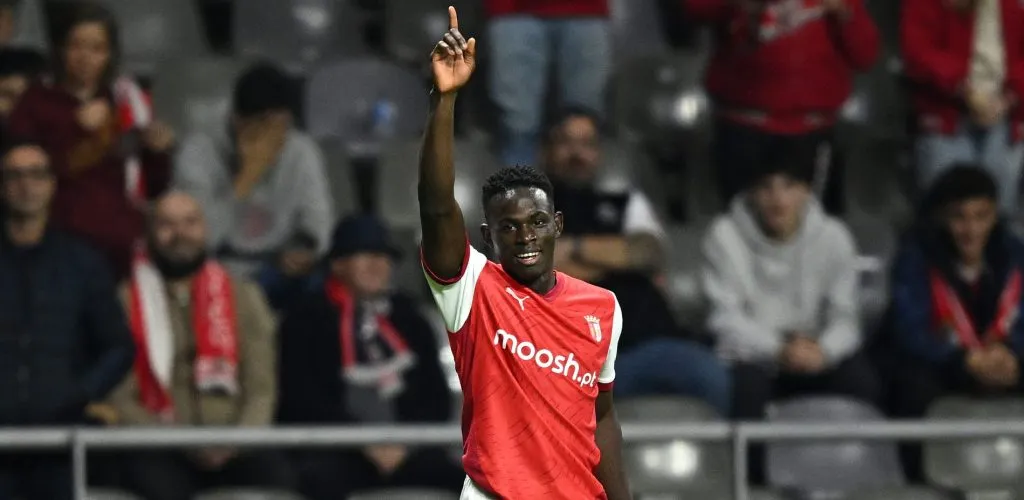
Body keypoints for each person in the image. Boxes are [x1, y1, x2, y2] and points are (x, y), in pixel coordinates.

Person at [420, 8, 630, 499]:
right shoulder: (472, 290)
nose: (525, 236)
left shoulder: (602, 308)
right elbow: (435, 206)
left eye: (537, 222)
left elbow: (602, 420)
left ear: (556, 225)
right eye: (508, 227)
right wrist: (445, 101)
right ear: (488, 238)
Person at [543, 106, 730, 416]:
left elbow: (649, 252)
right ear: (546, 150)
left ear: (599, 153)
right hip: (578, 360)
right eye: (565, 142)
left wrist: (575, 247)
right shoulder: (524, 206)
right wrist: (618, 256)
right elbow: (541, 266)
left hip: (654, 342)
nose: (577, 153)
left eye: (587, 144)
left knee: (713, 375)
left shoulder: (625, 203)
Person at [108, 191, 294, 500]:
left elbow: (262, 388)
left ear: (205, 229)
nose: (180, 234)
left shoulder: (244, 296)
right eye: (167, 225)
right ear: (149, 234)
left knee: (277, 479)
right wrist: (180, 441)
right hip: (158, 443)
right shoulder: (124, 302)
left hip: (235, 442)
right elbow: (120, 396)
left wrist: (236, 442)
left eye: (190, 222)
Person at [278, 214, 464, 500]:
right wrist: (363, 443)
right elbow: (301, 399)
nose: (377, 265)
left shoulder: (410, 318)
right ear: (337, 264)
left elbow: (435, 397)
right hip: (337, 450)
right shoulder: (305, 319)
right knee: (315, 481)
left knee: (469, 481)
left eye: (384, 256)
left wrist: (404, 444)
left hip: (406, 450)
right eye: (365, 255)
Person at [701, 140, 879, 420]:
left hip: (816, 352)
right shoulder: (723, 236)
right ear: (751, 193)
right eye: (766, 187)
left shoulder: (834, 237)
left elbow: (846, 318)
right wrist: (777, 350)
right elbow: (724, 319)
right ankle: (750, 466)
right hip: (754, 357)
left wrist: (824, 352)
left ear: (806, 190)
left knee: (862, 382)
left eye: (789, 186)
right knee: (747, 389)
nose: (778, 199)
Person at [0, 139, 135, 500]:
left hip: (60, 441)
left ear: (51, 185)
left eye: (36, 175)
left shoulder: (83, 263)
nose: (26, 185)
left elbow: (118, 347)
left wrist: (79, 394)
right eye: (13, 175)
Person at [6, 2, 175, 278]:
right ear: (61, 49)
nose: (85, 57)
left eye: (97, 48)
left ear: (110, 54)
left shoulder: (125, 100)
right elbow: (24, 177)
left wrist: (158, 152)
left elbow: (153, 188)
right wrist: (77, 129)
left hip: (120, 250)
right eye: (76, 45)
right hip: (58, 248)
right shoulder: (36, 102)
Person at [685, 0, 880, 215]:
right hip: (745, 126)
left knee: (813, 226)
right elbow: (694, 8)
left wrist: (844, 12)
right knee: (743, 223)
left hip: (811, 131)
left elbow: (865, 56)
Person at [174, 62, 333, 297]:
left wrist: (303, 248)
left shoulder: (301, 150)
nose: (277, 138)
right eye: (267, 127)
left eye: (283, 126)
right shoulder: (198, 152)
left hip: (278, 267)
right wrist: (245, 180)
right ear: (239, 122)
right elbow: (197, 242)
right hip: (220, 266)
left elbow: (319, 221)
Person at [901, 0, 1024, 214]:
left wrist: (1009, 98)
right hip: (946, 116)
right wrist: (964, 89)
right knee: (942, 213)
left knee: (1000, 216)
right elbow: (917, 51)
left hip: (1007, 117)